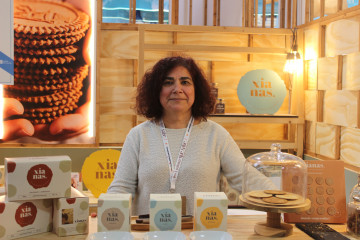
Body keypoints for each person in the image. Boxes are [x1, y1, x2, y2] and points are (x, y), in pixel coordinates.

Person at [107, 56, 275, 215]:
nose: (177, 89)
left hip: (203, 232)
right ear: (156, 91)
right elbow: (121, 188)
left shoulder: (216, 135)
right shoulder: (138, 135)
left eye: (185, 82)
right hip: (149, 233)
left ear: (197, 90)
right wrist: (107, 211)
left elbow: (247, 179)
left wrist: (281, 199)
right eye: (168, 82)